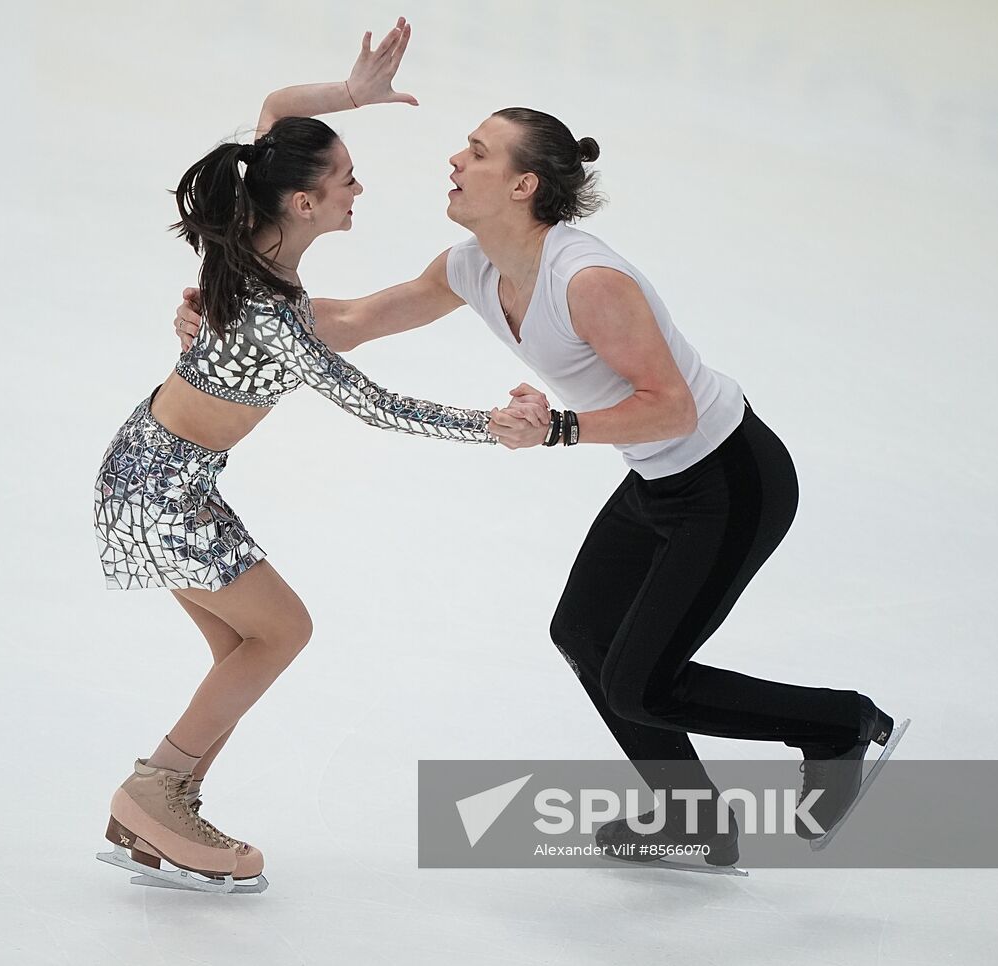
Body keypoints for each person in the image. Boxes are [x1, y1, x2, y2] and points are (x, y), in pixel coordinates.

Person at [175, 107, 908, 871]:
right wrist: (234, 316)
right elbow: (357, 318)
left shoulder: (586, 281)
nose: (455, 159)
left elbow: (672, 406)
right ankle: (693, 816)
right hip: (660, 481)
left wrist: (557, 428)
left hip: (731, 480)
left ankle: (837, 725)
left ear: (523, 185)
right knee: (584, 636)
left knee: (639, 686)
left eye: (479, 152)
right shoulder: (473, 267)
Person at [94, 18, 545, 894]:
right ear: (303, 204)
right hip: (161, 485)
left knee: (244, 644)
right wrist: (487, 424)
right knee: (281, 631)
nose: (355, 187)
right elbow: (376, 406)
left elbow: (271, 112)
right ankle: (153, 790)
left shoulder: (243, 219)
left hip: (153, 467)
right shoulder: (278, 319)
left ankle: (165, 801)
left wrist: (350, 96)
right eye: (344, 179)